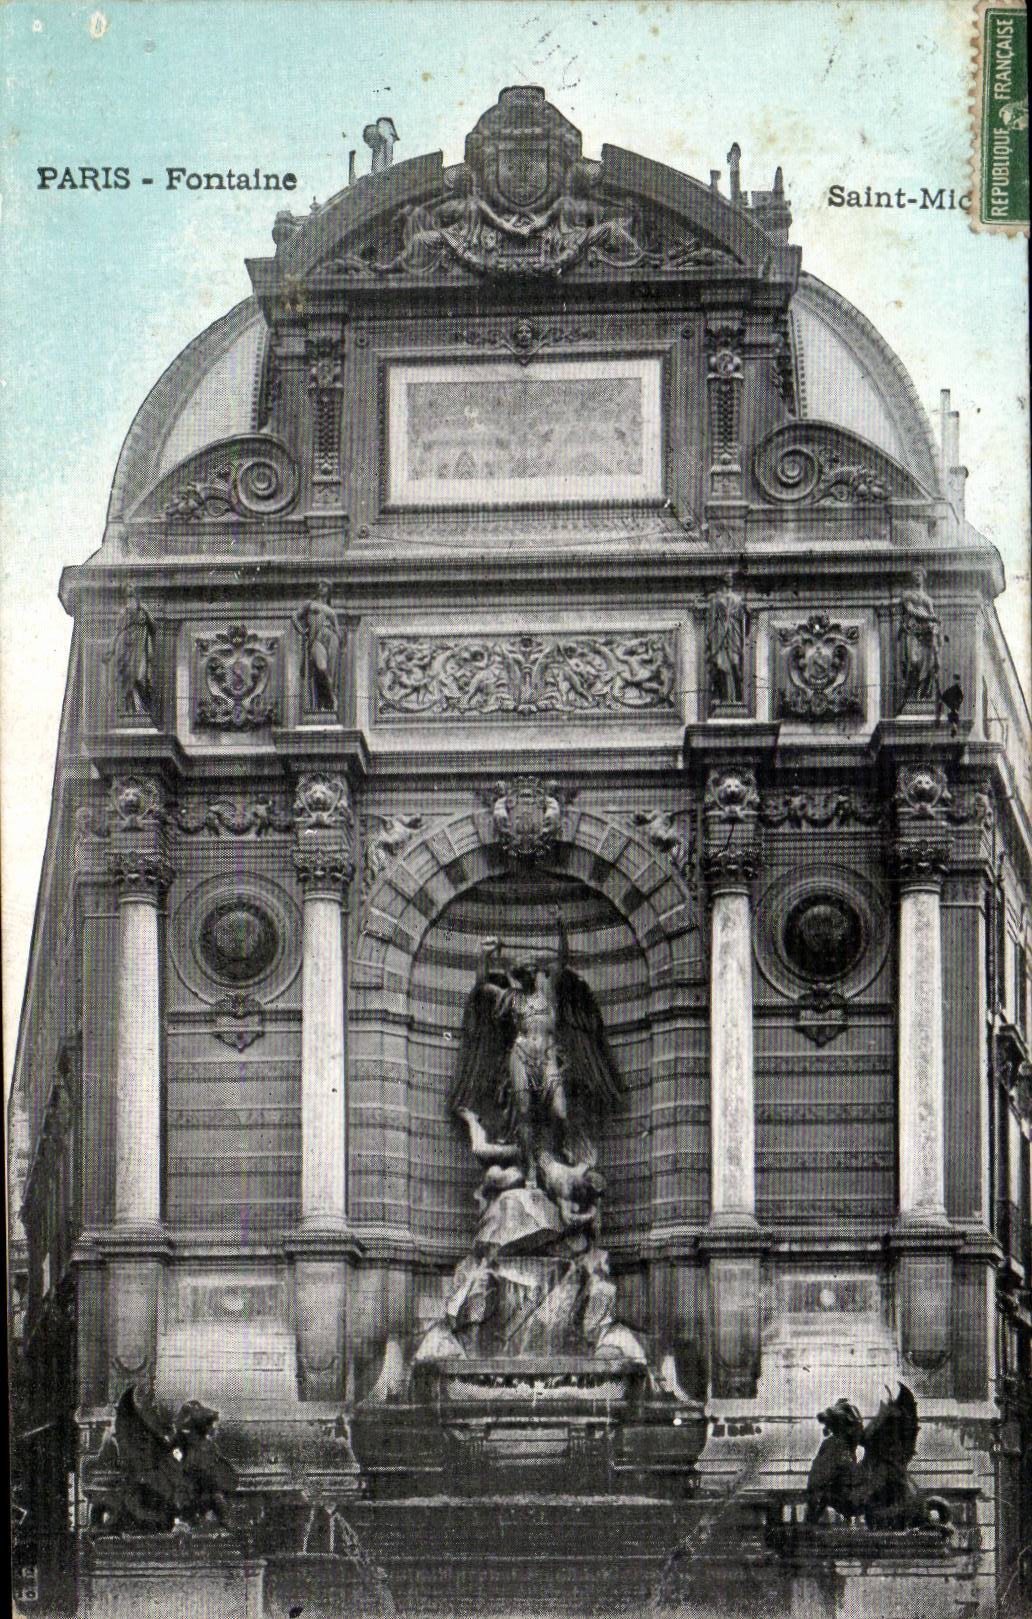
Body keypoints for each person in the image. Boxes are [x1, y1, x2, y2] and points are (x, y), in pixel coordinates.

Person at [293, 582, 343, 715]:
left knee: (331, 671)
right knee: (322, 668)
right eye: (320, 585)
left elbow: (337, 628)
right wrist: (302, 630)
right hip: (317, 638)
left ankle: (329, 701)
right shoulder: (310, 604)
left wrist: (339, 639)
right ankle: (332, 696)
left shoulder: (330, 609)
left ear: (329, 590)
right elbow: (294, 617)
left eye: (325, 586)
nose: (322, 588)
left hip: (331, 637)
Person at [897, 569, 942, 708]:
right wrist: (930, 617)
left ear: (923, 577)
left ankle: (921, 695)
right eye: (915, 575)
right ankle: (911, 694)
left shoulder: (928, 599)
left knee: (928, 663)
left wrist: (935, 626)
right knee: (913, 661)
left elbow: (932, 614)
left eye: (919, 575)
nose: (917, 577)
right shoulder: (908, 595)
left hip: (927, 633)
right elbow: (910, 610)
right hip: (913, 630)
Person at [706, 572, 748, 706]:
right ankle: (725, 698)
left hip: (734, 635)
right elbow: (711, 621)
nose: (730, 580)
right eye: (727, 577)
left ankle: (737, 697)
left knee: (735, 664)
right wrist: (711, 638)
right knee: (722, 666)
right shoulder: (716, 600)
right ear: (723, 580)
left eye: (731, 577)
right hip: (720, 636)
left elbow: (743, 620)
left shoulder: (738, 600)